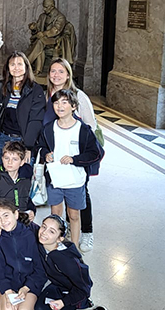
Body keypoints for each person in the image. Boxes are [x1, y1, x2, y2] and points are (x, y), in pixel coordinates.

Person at [44, 57, 98, 253]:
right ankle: (62, 232)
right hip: (55, 162)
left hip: (76, 161)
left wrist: (78, 155)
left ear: (68, 74)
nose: (56, 75)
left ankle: (87, 232)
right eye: (53, 71)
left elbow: (91, 127)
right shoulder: (47, 95)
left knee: (80, 198)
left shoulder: (79, 96)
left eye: (61, 71)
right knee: (57, 202)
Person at [0, 51, 46, 163]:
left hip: (23, 140)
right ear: (8, 67)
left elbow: (35, 120)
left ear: (26, 67)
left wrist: (28, 146)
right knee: (4, 175)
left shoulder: (35, 90)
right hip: (3, 138)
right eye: (12, 64)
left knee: (23, 177)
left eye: (20, 64)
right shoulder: (0, 86)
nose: (16, 67)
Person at [0, 199, 46, 310]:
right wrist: (7, 291)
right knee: (8, 308)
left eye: (6, 215)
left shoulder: (32, 235)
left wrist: (26, 288)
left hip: (30, 284)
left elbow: (41, 269)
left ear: (15, 214)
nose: (3, 221)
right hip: (8, 283)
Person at [36, 214, 98, 310]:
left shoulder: (67, 260)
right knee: (39, 308)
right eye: (44, 226)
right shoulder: (42, 243)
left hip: (74, 292)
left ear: (60, 239)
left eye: (51, 231)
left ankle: (87, 304)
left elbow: (84, 288)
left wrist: (63, 302)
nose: (44, 232)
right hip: (57, 286)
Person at [0, 140, 36, 220]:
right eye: (6, 158)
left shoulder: (25, 180)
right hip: (2, 223)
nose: (10, 162)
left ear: (22, 162)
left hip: (21, 222)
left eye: (15, 159)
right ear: (2, 159)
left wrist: (31, 210)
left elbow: (25, 198)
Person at [26, 0, 76, 75]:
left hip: (56, 40)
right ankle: (38, 70)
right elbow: (38, 29)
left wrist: (44, 33)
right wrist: (34, 28)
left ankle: (26, 63)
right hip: (44, 40)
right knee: (40, 46)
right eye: (44, 7)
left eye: (46, 7)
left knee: (40, 41)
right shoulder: (42, 16)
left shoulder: (60, 17)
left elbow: (56, 30)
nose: (44, 9)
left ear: (52, 7)